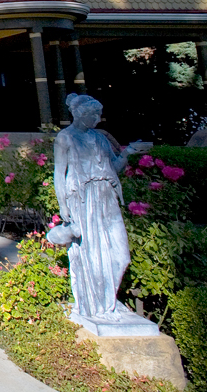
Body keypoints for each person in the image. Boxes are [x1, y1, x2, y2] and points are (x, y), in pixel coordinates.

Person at [51, 93, 143, 321]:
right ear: (82, 115)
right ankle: (98, 306)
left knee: (120, 254)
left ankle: (108, 299)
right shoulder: (65, 138)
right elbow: (59, 173)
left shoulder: (100, 139)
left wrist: (130, 152)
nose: (99, 119)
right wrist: (63, 204)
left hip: (107, 198)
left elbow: (114, 166)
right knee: (91, 253)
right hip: (82, 199)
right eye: (95, 114)